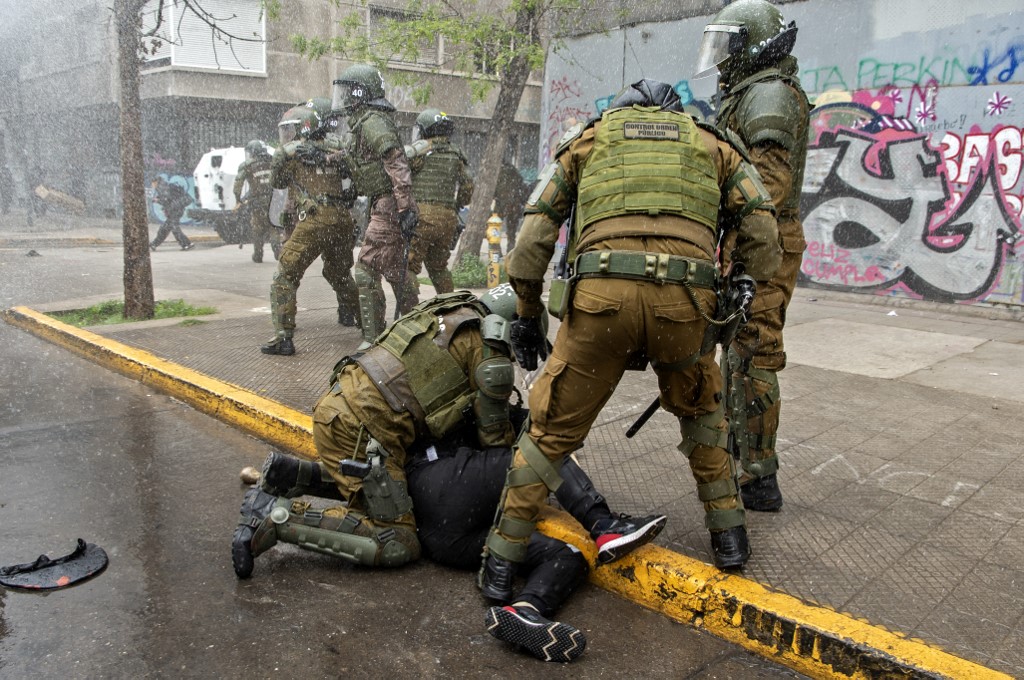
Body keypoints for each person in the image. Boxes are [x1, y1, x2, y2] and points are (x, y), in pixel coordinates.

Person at [232, 286, 666, 662]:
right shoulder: (489, 344)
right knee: (398, 539)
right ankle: (278, 517)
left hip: (387, 452)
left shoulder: (448, 311)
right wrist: (527, 442)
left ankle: (524, 610)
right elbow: (501, 439)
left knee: (561, 554)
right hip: (378, 439)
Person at [478, 79, 783, 597]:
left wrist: (529, 313)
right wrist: (736, 286)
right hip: (684, 305)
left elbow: (532, 236)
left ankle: (502, 564)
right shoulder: (714, 145)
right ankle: (730, 538)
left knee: (550, 432)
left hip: (601, 304)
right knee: (703, 413)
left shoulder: (589, 141)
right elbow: (763, 233)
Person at [695, 0, 811, 512]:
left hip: (765, 244)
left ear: (753, 45)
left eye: (728, 45)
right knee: (739, 352)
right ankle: (743, 454)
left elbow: (770, 185)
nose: (720, 58)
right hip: (750, 241)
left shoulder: (767, 96)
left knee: (755, 354)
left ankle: (760, 476)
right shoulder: (752, 91)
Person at [259, 98, 361, 356]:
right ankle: (368, 324)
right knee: (339, 275)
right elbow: (356, 176)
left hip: (315, 219)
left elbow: (278, 182)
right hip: (342, 220)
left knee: (285, 276)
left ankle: (283, 338)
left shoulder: (290, 151)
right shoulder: (342, 147)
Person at [330, 64, 419, 347]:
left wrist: (404, 207)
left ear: (360, 92)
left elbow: (395, 160)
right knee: (394, 269)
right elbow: (362, 160)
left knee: (366, 269)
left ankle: (374, 339)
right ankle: (417, 329)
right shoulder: (364, 122)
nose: (342, 98)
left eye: (347, 91)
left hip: (389, 205)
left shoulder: (372, 121)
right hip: (384, 203)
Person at [404, 108, 473, 296]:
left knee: (408, 267)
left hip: (422, 216)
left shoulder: (419, 150)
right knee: (439, 268)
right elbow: (468, 185)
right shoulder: (456, 153)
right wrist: (457, 204)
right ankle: (451, 307)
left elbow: (399, 173)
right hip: (448, 219)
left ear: (426, 129)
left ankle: (411, 313)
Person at [233, 140, 282, 264]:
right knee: (273, 227)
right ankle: (278, 251)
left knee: (257, 229)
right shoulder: (273, 162)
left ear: (253, 152)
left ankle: (258, 254)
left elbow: (238, 184)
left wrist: (238, 199)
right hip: (274, 201)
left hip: (257, 203)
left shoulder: (247, 165)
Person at [493, 159, 531, 252]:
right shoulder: (513, 171)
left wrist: (496, 196)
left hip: (501, 203)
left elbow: (494, 189)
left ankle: (496, 248)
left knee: (495, 226)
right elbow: (521, 185)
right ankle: (510, 247)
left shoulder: (498, 172)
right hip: (514, 203)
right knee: (512, 229)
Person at [149, 177, 194, 251]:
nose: (152, 185)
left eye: (152, 183)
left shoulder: (162, 187)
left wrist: (158, 200)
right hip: (175, 210)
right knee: (165, 228)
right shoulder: (164, 186)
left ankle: (186, 244)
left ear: (155, 182)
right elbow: (169, 198)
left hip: (175, 210)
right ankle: (154, 244)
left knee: (173, 228)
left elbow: (166, 199)